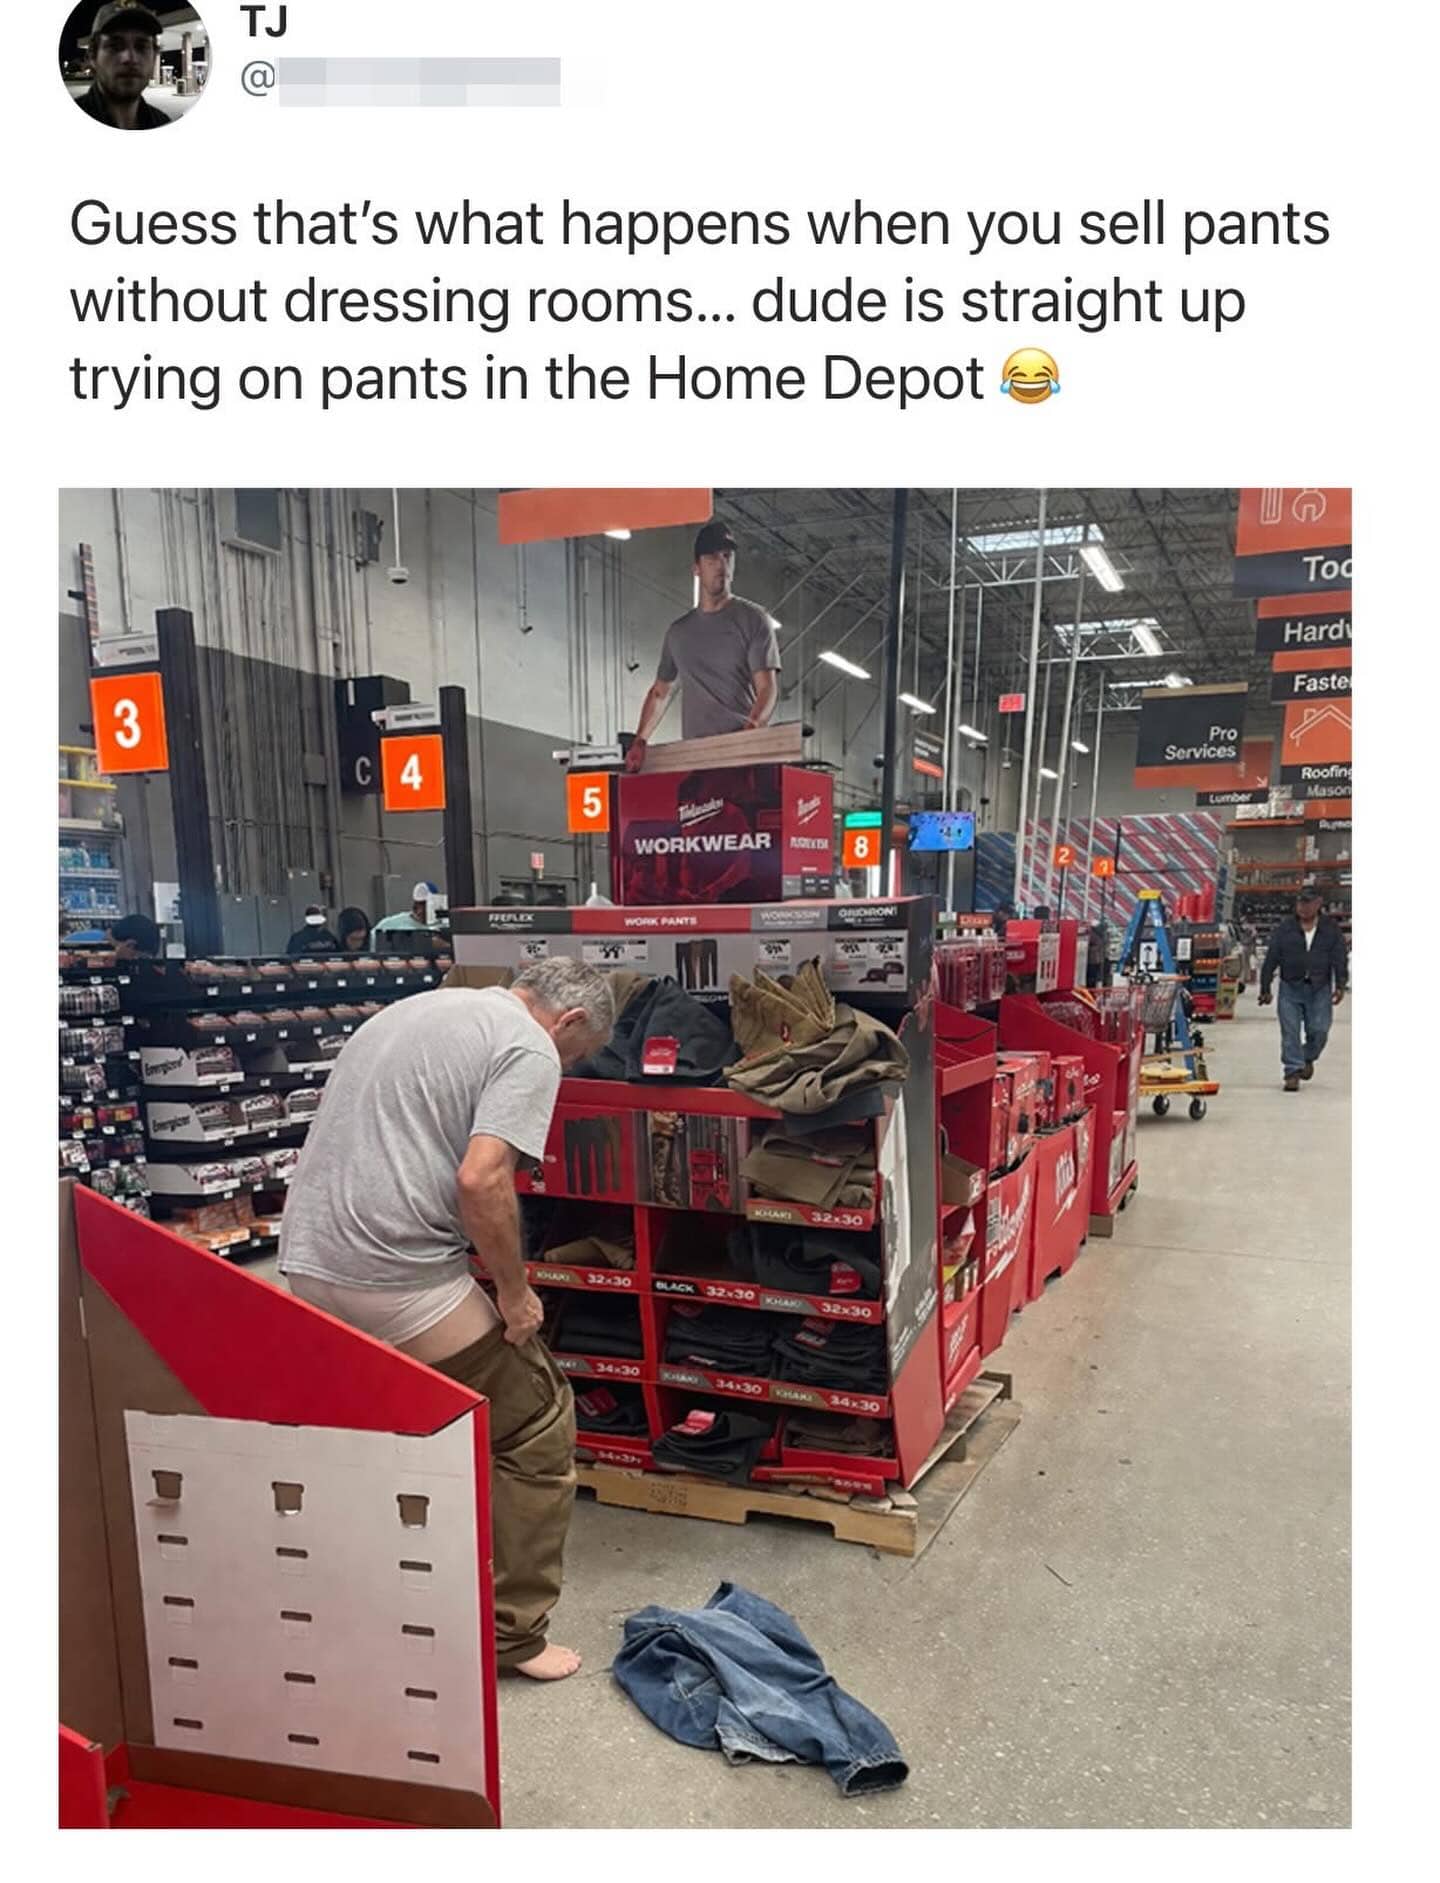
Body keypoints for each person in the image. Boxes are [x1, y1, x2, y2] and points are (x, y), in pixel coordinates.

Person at [279, 957, 616, 1682]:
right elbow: (482, 1178)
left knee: (384, 1429)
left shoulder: (416, 1009)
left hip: (306, 1262)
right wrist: (515, 1294)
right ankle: (514, 1637)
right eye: (577, 1055)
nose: (567, 1067)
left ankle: (353, 1606)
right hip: (391, 1272)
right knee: (535, 1422)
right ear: (570, 1020)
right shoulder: (528, 1045)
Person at [626, 522, 781, 771]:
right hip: (696, 758)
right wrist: (640, 741)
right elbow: (660, 693)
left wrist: (750, 731)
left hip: (741, 754)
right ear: (696, 568)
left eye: (727, 556)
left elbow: (767, 688)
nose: (721, 565)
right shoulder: (678, 633)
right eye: (712, 558)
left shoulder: (754, 620)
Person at [1258, 884, 1348, 1092]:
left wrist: (1341, 984)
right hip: (1290, 986)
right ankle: (1292, 1071)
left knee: (1320, 1030)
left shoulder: (1330, 929)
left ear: (1318, 903)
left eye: (1307, 903)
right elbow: (1272, 958)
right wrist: (1265, 987)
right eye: (1300, 903)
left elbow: (1339, 958)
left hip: (1319, 988)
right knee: (1290, 1032)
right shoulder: (1285, 928)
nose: (1303, 907)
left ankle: (1307, 1057)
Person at [72, 5, 175, 130]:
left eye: (141, 47)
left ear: (154, 57)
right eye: (114, 46)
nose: (130, 58)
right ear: (93, 56)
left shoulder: (162, 122)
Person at [373, 880, 446, 943]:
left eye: (425, 905)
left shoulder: (444, 926)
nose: (420, 911)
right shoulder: (391, 924)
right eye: (418, 904)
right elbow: (372, 940)